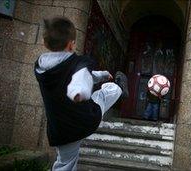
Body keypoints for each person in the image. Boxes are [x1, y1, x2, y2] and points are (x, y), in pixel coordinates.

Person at [34, 16, 128, 171]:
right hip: (84, 120)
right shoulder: (78, 64)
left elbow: (80, 75)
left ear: (44, 43)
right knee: (105, 93)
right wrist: (78, 92)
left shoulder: (41, 68)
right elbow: (80, 80)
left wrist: (102, 74)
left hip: (60, 130)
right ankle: (119, 88)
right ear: (71, 45)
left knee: (65, 163)